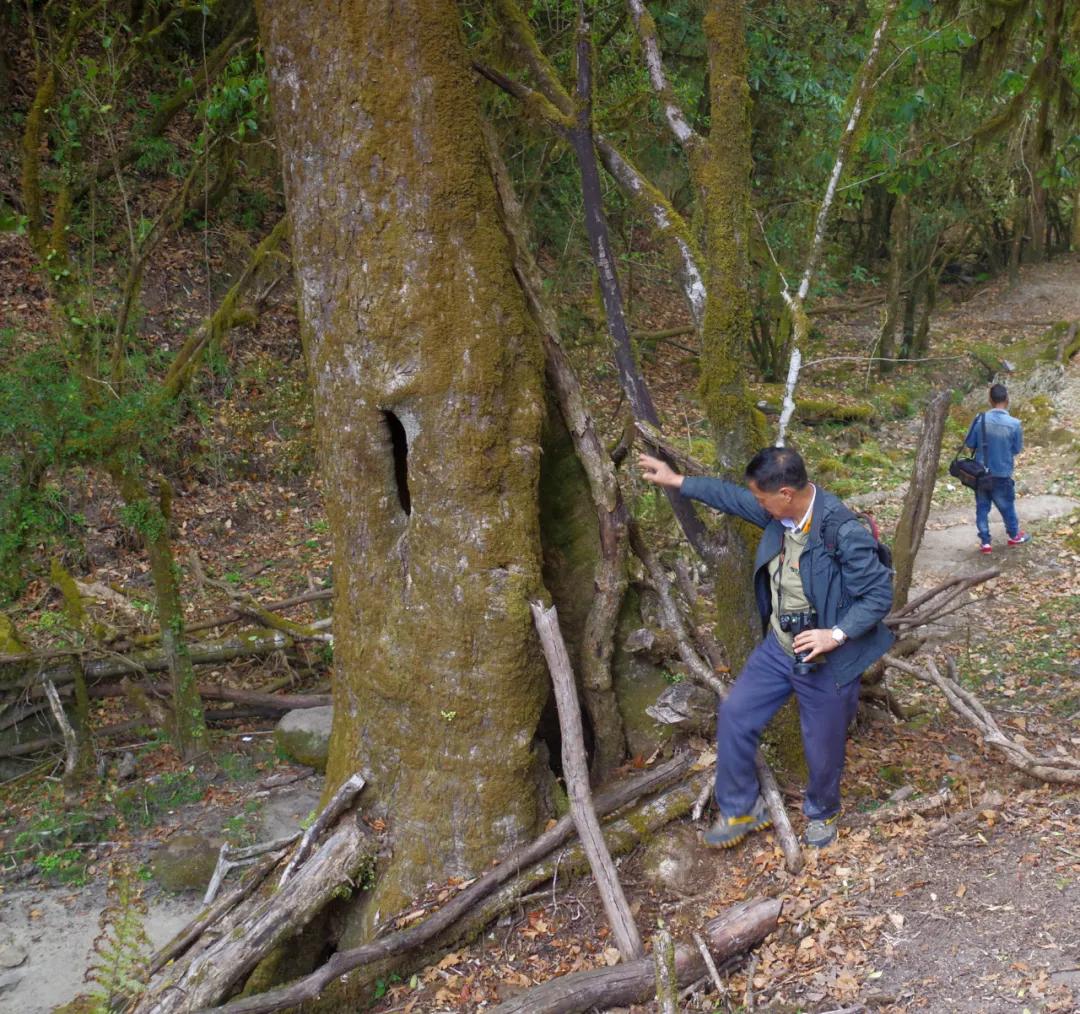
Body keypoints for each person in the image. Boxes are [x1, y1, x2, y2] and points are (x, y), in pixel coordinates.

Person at [637, 446, 893, 849]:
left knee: (822, 746)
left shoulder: (842, 531)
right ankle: (743, 810)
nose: (757, 504)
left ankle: (823, 812)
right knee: (736, 714)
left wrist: (835, 635)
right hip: (779, 646)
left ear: (786, 493)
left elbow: (879, 595)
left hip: (827, 658)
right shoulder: (779, 515)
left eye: (762, 498)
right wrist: (676, 480)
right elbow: (731, 497)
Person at [964, 383, 1030, 554]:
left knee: (982, 508)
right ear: (1007, 399)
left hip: (980, 473)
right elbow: (1016, 449)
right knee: (1007, 507)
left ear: (990, 399)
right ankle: (1014, 535)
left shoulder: (980, 419)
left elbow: (970, 443)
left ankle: (985, 542)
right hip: (1002, 472)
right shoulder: (1014, 424)